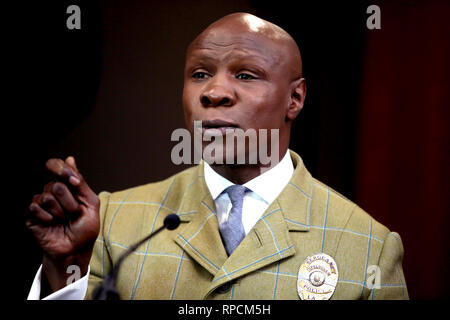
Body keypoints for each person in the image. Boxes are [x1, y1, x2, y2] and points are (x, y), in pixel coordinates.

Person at [26, 12, 408, 300]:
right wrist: (66, 266)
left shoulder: (370, 247)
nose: (214, 92)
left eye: (245, 75)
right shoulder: (109, 221)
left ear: (295, 98)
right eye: (199, 74)